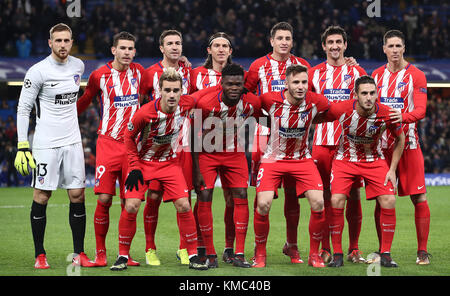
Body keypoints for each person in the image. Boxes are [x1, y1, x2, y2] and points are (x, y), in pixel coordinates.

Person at [110, 68, 208, 271]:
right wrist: (134, 167)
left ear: (182, 91)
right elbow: (128, 137)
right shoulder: (145, 113)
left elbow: (204, 94)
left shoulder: (187, 103)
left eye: (175, 90)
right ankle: (122, 256)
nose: (172, 95)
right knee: (131, 206)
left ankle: (192, 256)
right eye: (167, 90)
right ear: (159, 91)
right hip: (143, 164)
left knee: (184, 205)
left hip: (169, 164)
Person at [15, 23, 94, 269]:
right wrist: (22, 145)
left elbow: (73, 103)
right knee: (42, 195)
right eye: (58, 40)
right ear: (50, 43)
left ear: (72, 42)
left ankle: (79, 253)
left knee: (78, 195)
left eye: (67, 40)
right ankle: (40, 254)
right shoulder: (37, 71)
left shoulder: (78, 66)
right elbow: (23, 109)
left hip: (72, 140)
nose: (62, 45)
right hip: (46, 143)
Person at [315, 75, 405, 268]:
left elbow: (401, 139)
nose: (369, 97)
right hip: (345, 160)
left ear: (377, 94)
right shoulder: (341, 109)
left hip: (374, 160)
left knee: (389, 200)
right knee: (336, 200)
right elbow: (318, 118)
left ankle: (386, 254)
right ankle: (337, 254)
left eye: (372, 93)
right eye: (364, 93)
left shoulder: (388, 113)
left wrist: (392, 170)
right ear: (355, 95)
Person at [76, 31, 144, 267]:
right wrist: (68, 118)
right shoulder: (99, 75)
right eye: (122, 48)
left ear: (135, 52)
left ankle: (124, 253)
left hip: (133, 147)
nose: (127, 52)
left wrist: (182, 61)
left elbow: (160, 81)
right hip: (107, 143)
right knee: (104, 198)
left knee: (131, 203)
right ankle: (101, 252)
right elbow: (85, 99)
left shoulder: (139, 73)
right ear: (113, 50)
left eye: (131, 49)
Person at [245, 22, 311, 264]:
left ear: (292, 42)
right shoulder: (257, 66)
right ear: (271, 41)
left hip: (295, 137)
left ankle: (291, 245)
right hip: (265, 136)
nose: (284, 42)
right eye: (280, 38)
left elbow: (312, 95)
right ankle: (258, 249)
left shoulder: (303, 66)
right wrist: (260, 118)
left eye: (288, 38)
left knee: (293, 195)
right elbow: (246, 94)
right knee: (263, 197)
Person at [252, 64, 329, 268]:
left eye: (304, 82)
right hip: (273, 158)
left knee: (318, 203)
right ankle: (259, 253)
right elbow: (252, 109)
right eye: (296, 82)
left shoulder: (317, 101)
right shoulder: (269, 99)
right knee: (263, 204)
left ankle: (314, 255)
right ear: (286, 83)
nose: (301, 86)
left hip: (301, 159)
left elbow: (331, 113)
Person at [192, 63, 261, 268]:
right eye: (229, 84)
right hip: (207, 154)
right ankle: (208, 253)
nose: (233, 88)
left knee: (240, 195)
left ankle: (237, 253)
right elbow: (193, 135)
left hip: (235, 153)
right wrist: (196, 169)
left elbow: (265, 120)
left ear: (243, 85)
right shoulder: (205, 104)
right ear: (221, 83)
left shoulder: (251, 103)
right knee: (205, 196)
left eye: (238, 84)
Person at [308, 26, 367, 264]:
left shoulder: (357, 72)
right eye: (330, 42)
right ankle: (325, 248)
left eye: (338, 42)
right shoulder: (313, 74)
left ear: (345, 45)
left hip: (350, 145)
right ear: (323, 46)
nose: (334, 46)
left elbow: (368, 105)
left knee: (353, 195)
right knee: (323, 197)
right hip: (322, 143)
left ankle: (353, 249)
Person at [371, 30, 431, 265]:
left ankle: (422, 251)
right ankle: (383, 250)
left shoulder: (416, 76)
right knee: (381, 199)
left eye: (398, 46)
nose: (395, 50)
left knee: (419, 196)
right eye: (390, 46)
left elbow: (421, 111)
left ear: (404, 48)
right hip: (381, 147)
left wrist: (401, 116)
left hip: (410, 145)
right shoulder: (375, 75)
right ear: (384, 49)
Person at [140, 29, 193, 266]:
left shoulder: (189, 70)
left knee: (185, 199)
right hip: (156, 147)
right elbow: (140, 102)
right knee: (152, 196)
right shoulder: (149, 73)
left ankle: (184, 248)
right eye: (170, 43)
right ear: (161, 48)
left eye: (178, 43)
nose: (174, 47)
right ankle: (150, 248)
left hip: (184, 144)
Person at [190, 32, 239, 264]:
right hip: (203, 145)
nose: (221, 49)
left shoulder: (241, 76)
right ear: (208, 50)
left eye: (225, 46)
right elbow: (187, 102)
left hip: (232, 145)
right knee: (201, 197)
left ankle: (229, 248)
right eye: (216, 45)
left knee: (232, 198)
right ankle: (199, 247)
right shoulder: (195, 75)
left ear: (230, 51)